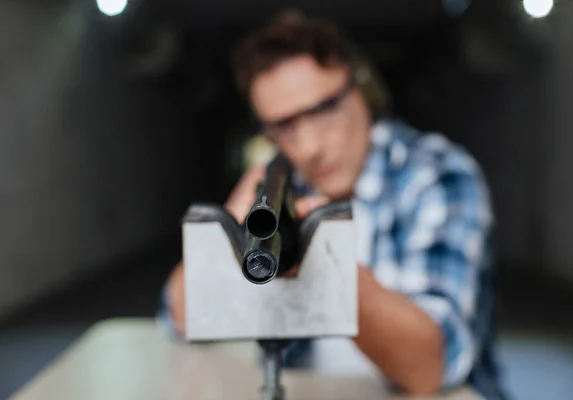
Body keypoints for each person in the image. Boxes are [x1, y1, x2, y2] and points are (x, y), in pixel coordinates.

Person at [162, 10, 505, 400]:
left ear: (364, 88)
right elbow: (182, 317)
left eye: (324, 109)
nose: (310, 147)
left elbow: (431, 368)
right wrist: (232, 230)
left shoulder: (438, 175)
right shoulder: (285, 184)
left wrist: (327, 267)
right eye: (284, 126)